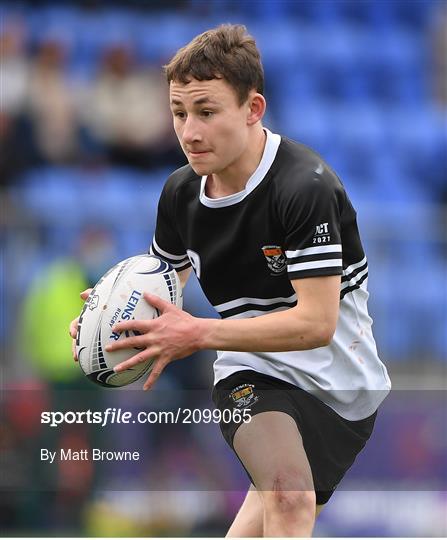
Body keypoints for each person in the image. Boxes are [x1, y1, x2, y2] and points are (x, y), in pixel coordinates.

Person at [70, 24, 391, 537]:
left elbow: (317, 323)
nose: (189, 132)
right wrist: (106, 319)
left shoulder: (304, 188)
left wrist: (197, 333)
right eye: (179, 113)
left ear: (253, 109)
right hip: (250, 371)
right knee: (289, 495)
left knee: (258, 523)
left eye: (206, 111)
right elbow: (159, 285)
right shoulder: (180, 195)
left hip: (344, 388)